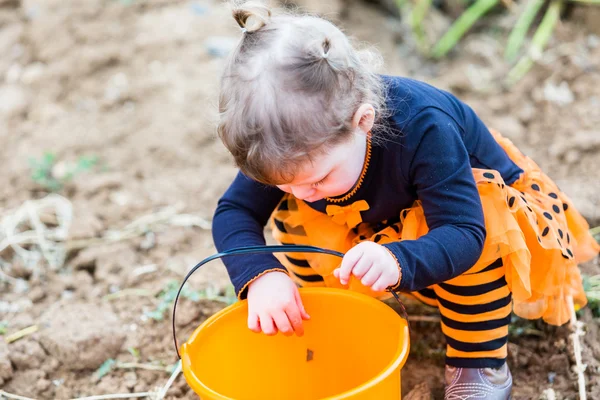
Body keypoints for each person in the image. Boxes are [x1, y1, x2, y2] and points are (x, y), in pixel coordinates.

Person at [211, 2, 600, 398]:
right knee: (293, 220)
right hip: (379, 219)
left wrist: (400, 259)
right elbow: (234, 210)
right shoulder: (291, 147)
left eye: (316, 179)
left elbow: (465, 233)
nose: (300, 193)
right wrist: (261, 275)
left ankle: (478, 365)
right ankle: (340, 325)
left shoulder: (423, 127)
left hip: (469, 220)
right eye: (284, 183)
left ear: (362, 122)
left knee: (482, 235)